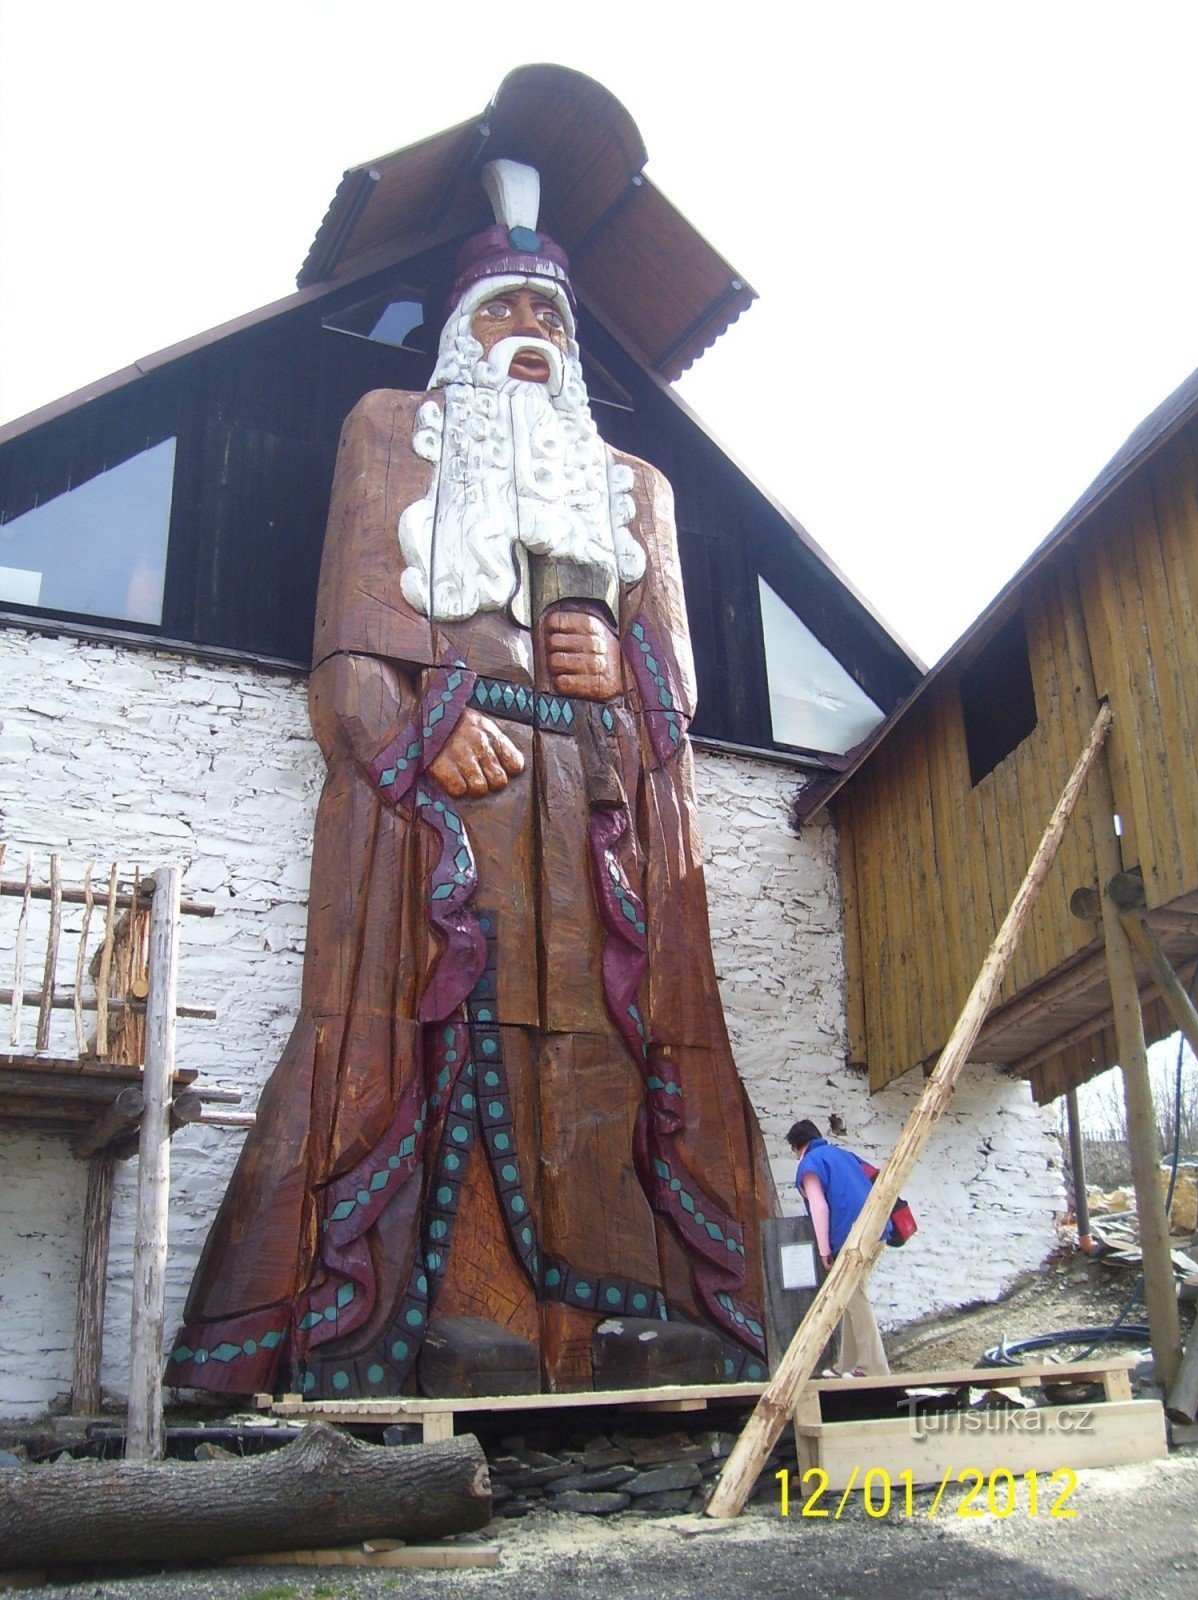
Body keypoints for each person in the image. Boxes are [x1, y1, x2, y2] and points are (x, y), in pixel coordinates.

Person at [168, 160, 774, 1400]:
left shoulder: (632, 491)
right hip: (453, 797)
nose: (530, 336)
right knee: (450, 1035)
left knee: (608, 1048)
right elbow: (345, 644)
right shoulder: (395, 431)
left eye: (550, 317)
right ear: (457, 336)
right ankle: (448, 1305)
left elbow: (679, 690)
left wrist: (619, 657)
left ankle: (617, 1306)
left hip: (599, 813)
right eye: (500, 311)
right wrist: (421, 721)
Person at [786, 1118, 891, 1376]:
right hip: (877, 1229)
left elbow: (819, 1208)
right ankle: (846, 1364)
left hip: (852, 1236)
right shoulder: (843, 1154)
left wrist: (825, 1251)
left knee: (853, 1296)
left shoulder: (810, 1164)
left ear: (798, 1146)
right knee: (849, 1296)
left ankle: (874, 1368)